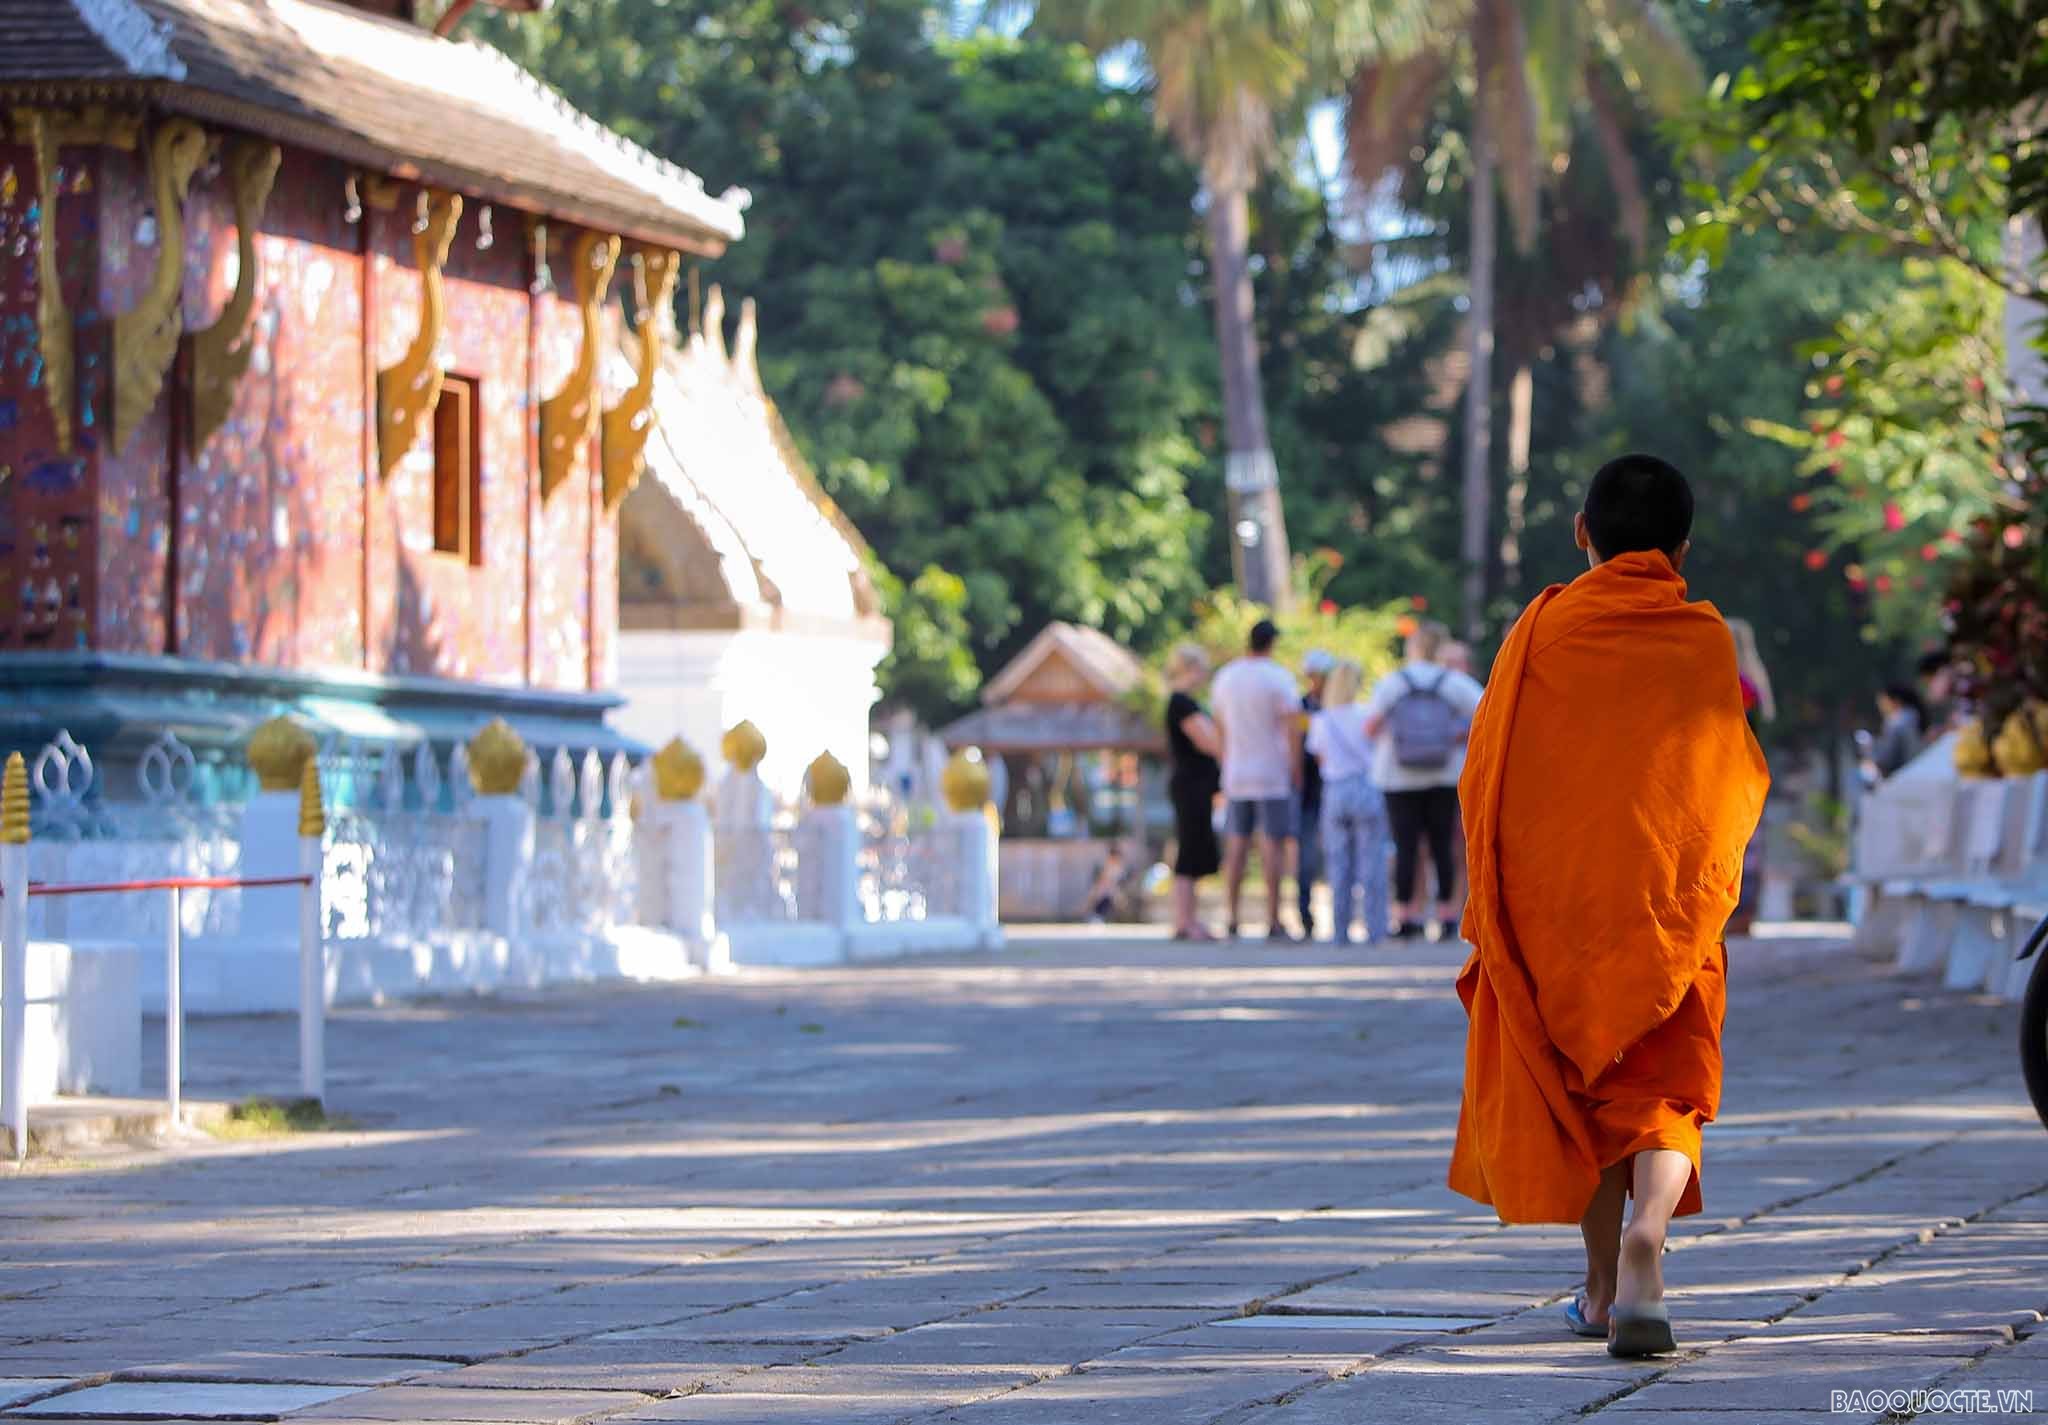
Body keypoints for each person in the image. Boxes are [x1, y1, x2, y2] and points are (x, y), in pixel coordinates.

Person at [1448, 453, 1768, 1360]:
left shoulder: (1541, 626)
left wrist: (1497, 901)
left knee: (1583, 1085)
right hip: (1668, 906)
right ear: (1683, 547)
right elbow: (1729, 778)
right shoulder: (1704, 635)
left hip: (1559, 910)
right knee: (1663, 1090)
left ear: (1582, 531)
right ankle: (1646, 1245)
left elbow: (1487, 772)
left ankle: (1596, 1292)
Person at [1362, 621, 1483, 940]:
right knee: (1442, 844)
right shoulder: (1453, 682)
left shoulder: (1394, 683)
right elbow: (1487, 711)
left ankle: (1406, 915)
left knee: (1406, 846)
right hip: (1444, 772)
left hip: (1397, 775)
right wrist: (1456, 734)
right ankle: (1445, 915)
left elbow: (1369, 727)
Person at [1211, 619, 1303, 941]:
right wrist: (1295, 766)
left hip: (1236, 772)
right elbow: (1291, 725)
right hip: (1272, 772)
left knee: (1236, 843)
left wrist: (1225, 760)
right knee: (1272, 844)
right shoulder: (1278, 677)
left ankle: (1231, 915)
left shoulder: (1226, 677)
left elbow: (1218, 725)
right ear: (1272, 643)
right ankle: (1273, 918)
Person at [1306, 659, 1390, 945]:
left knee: (1338, 862)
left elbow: (1320, 759)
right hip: (1366, 786)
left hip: (1335, 791)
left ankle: (1340, 931)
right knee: (1372, 861)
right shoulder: (1365, 714)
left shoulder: (1321, 720)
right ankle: (1375, 929)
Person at [1162, 644, 1223, 941]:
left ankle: (1189, 920)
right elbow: (1208, 741)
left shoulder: (1185, 702)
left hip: (1197, 786)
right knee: (1189, 852)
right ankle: (1184, 921)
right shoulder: (1181, 703)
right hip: (1190, 787)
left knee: (1195, 852)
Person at [1296, 649, 1335, 938]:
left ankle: (1341, 917)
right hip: (1309, 792)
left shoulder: (1339, 707)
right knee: (1307, 856)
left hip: (1334, 788)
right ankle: (1304, 914)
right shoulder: (1301, 707)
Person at [1863, 683, 1927, 781]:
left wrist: (1870, 751)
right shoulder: (1914, 718)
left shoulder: (1897, 724)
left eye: (1883, 701)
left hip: (1904, 779)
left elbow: (1886, 759)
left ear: (1896, 701)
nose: (1880, 706)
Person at [1082, 844, 1126, 925]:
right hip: (1105, 890)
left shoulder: (1118, 866)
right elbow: (1104, 880)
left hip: (1109, 890)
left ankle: (1099, 918)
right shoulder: (1109, 866)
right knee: (1099, 905)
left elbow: (1116, 882)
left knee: (1107, 905)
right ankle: (1094, 918)